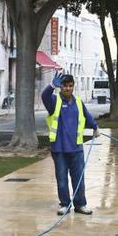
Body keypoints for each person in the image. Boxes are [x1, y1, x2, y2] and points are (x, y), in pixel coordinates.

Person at [41, 72, 98, 216]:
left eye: (70, 86)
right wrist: (52, 86)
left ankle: (80, 205)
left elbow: (87, 116)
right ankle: (65, 204)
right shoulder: (54, 102)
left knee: (79, 178)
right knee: (61, 179)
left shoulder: (78, 102)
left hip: (76, 149)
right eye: (65, 86)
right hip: (59, 149)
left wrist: (95, 127)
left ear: (73, 86)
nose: (67, 88)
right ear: (61, 87)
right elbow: (44, 96)